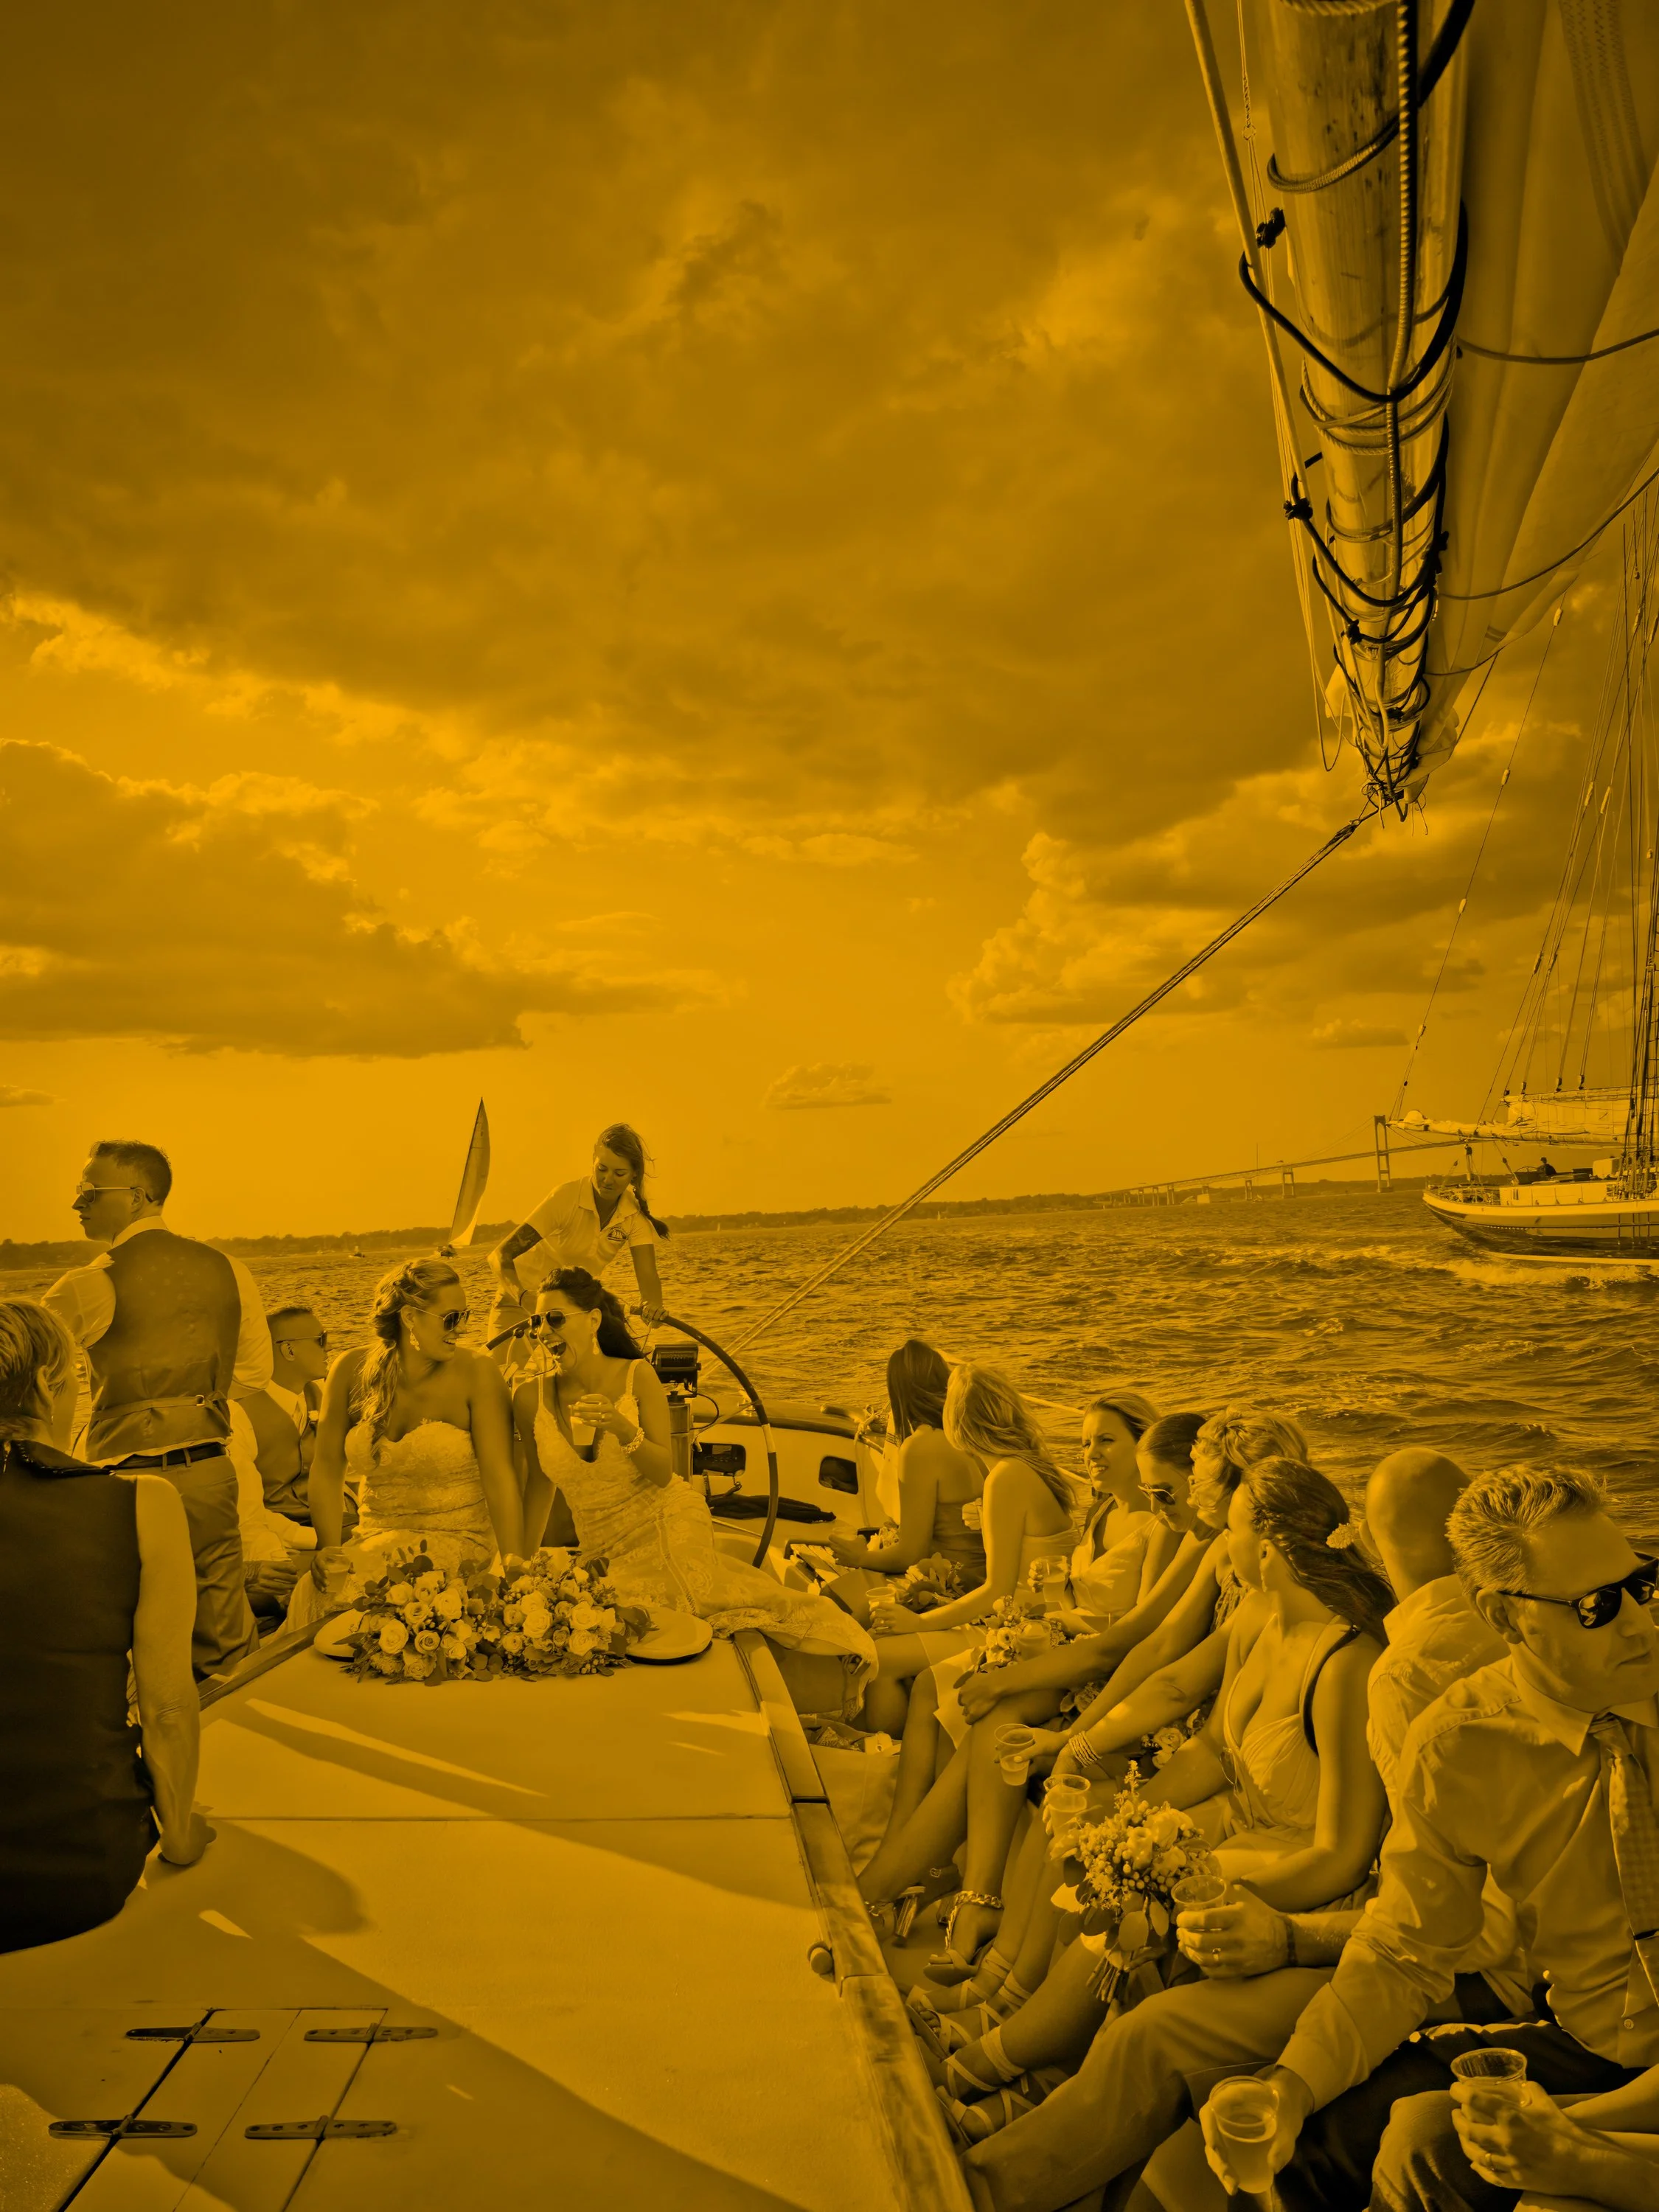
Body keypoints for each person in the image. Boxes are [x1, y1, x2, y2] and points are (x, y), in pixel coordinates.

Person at [956, 1443, 1528, 2212]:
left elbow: (1415, 1904)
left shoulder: (1395, 1669)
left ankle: (986, 2139)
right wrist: (1118, 1804)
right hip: (1405, 1929)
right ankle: (1016, 2051)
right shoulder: (1301, 1625)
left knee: (1153, 2002)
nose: (1215, 1540)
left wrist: (1274, 1927)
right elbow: (1199, 1723)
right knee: (1110, 1877)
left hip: (1437, 1954)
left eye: (1226, 1526)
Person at [1199, 1463, 1659, 2212]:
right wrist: (1289, 2086)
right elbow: (1403, 1950)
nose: (1639, 1624)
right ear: (1504, 1617)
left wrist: (1575, 2134)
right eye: (1596, 1606)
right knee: (1309, 2147)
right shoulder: (1461, 1743)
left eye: (1642, 1585)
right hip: (1595, 2037)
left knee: (1425, 2139)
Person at [948, 1458, 1391, 2156]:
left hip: (1297, 1860)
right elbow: (1213, 1749)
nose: (1221, 1542)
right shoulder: (1258, 1617)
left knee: (1132, 1903)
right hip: (1239, 1822)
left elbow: (1343, 1855)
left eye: (1232, 1530)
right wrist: (1128, 1823)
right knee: (1095, 1855)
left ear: (1267, 1552)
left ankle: (996, 2061)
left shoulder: (1346, 1663)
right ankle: (1028, 2038)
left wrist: (1193, 1884)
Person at [512, 1270, 877, 1700]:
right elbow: (539, 1487)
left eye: (555, 1318)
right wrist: (519, 1566)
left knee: (668, 1603)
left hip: (666, 1517)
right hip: (601, 1545)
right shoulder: (529, 1397)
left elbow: (662, 1472)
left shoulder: (635, 1376)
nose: (543, 1331)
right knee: (605, 1613)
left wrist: (620, 1426)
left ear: (593, 1320)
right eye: (536, 1322)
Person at [0, 1298, 210, 1952]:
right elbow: (167, 1706)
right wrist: (180, 1839)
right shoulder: (139, 1505)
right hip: (76, 1872)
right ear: (46, 1385)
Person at [43, 1138, 266, 1677]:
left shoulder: (90, 1282)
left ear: (137, 1197)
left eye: (89, 1191)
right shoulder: (229, 1268)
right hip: (211, 1472)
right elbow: (256, 1374)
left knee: (132, 1628)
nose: (77, 1202)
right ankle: (233, 1715)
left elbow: (27, 1372)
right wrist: (194, 1399)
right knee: (224, 1629)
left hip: (127, 1481)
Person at [306, 1257, 524, 1592]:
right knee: (318, 1590)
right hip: (373, 1538)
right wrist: (328, 1551)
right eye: (451, 1319)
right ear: (410, 1317)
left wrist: (514, 1567)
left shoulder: (478, 1373)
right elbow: (326, 1469)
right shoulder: (349, 1369)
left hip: (460, 1540)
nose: (462, 1329)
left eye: (465, 1316)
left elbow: (500, 1479)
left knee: (367, 1583)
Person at [818, 1339, 988, 1624]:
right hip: (980, 1577)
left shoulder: (920, 1448)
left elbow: (911, 1553)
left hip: (950, 1585)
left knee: (828, 1606)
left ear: (898, 1394)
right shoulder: (970, 1436)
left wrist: (858, 1557)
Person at [487, 1125, 669, 1357]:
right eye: (601, 1169)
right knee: (504, 1376)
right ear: (593, 1159)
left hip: (573, 1314)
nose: (607, 1180)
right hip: (518, 1305)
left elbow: (648, 1278)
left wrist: (653, 1311)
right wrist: (525, 1299)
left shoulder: (634, 1217)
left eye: (619, 1173)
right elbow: (499, 1256)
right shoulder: (565, 1198)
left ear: (634, 1174)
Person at [237, 1304, 330, 1524]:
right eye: (321, 1340)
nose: (329, 1347)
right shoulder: (240, 1412)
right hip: (275, 1527)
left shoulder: (322, 1395)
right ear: (289, 1350)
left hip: (328, 1517)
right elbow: (244, 1508)